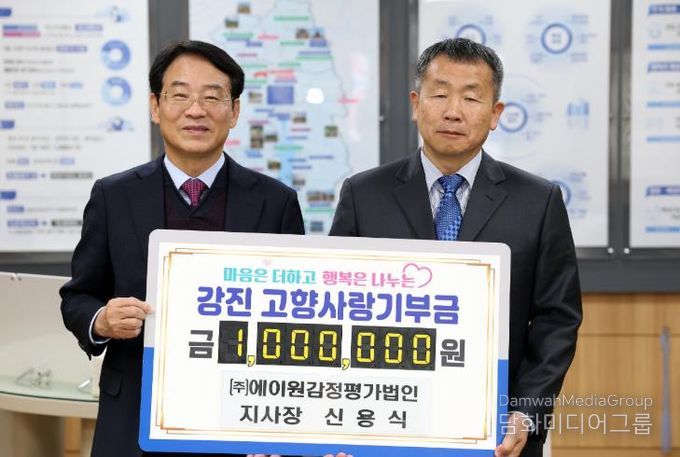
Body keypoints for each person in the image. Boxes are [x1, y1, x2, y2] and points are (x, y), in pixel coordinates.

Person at [329, 38, 582, 457]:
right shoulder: (363, 194)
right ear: (416, 104)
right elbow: (336, 310)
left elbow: (557, 318)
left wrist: (525, 412)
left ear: (495, 113)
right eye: (440, 94)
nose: (453, 111)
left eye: (471, 97)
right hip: (383, 423)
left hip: (497, 430)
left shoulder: (538, 201)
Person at [60, 40, 311, 457]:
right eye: (180, 95)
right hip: (135, 413)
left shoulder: (275, 202)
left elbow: (296, 312)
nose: (196, 110)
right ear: (155, 106)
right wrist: (102, 320)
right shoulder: (113, 196)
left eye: (212, 97)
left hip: (239, 416)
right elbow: (78, 296)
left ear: (234, 111)